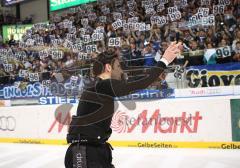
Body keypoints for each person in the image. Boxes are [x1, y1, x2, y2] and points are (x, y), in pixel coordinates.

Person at [65, 42, 181, 168]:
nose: (121, 71)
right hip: (85, 153)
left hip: (94, 150)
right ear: (108, 68)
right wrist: (164, 60)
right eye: (118, 67)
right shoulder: (102, 85)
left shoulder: (98, 88)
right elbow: (141, 82)